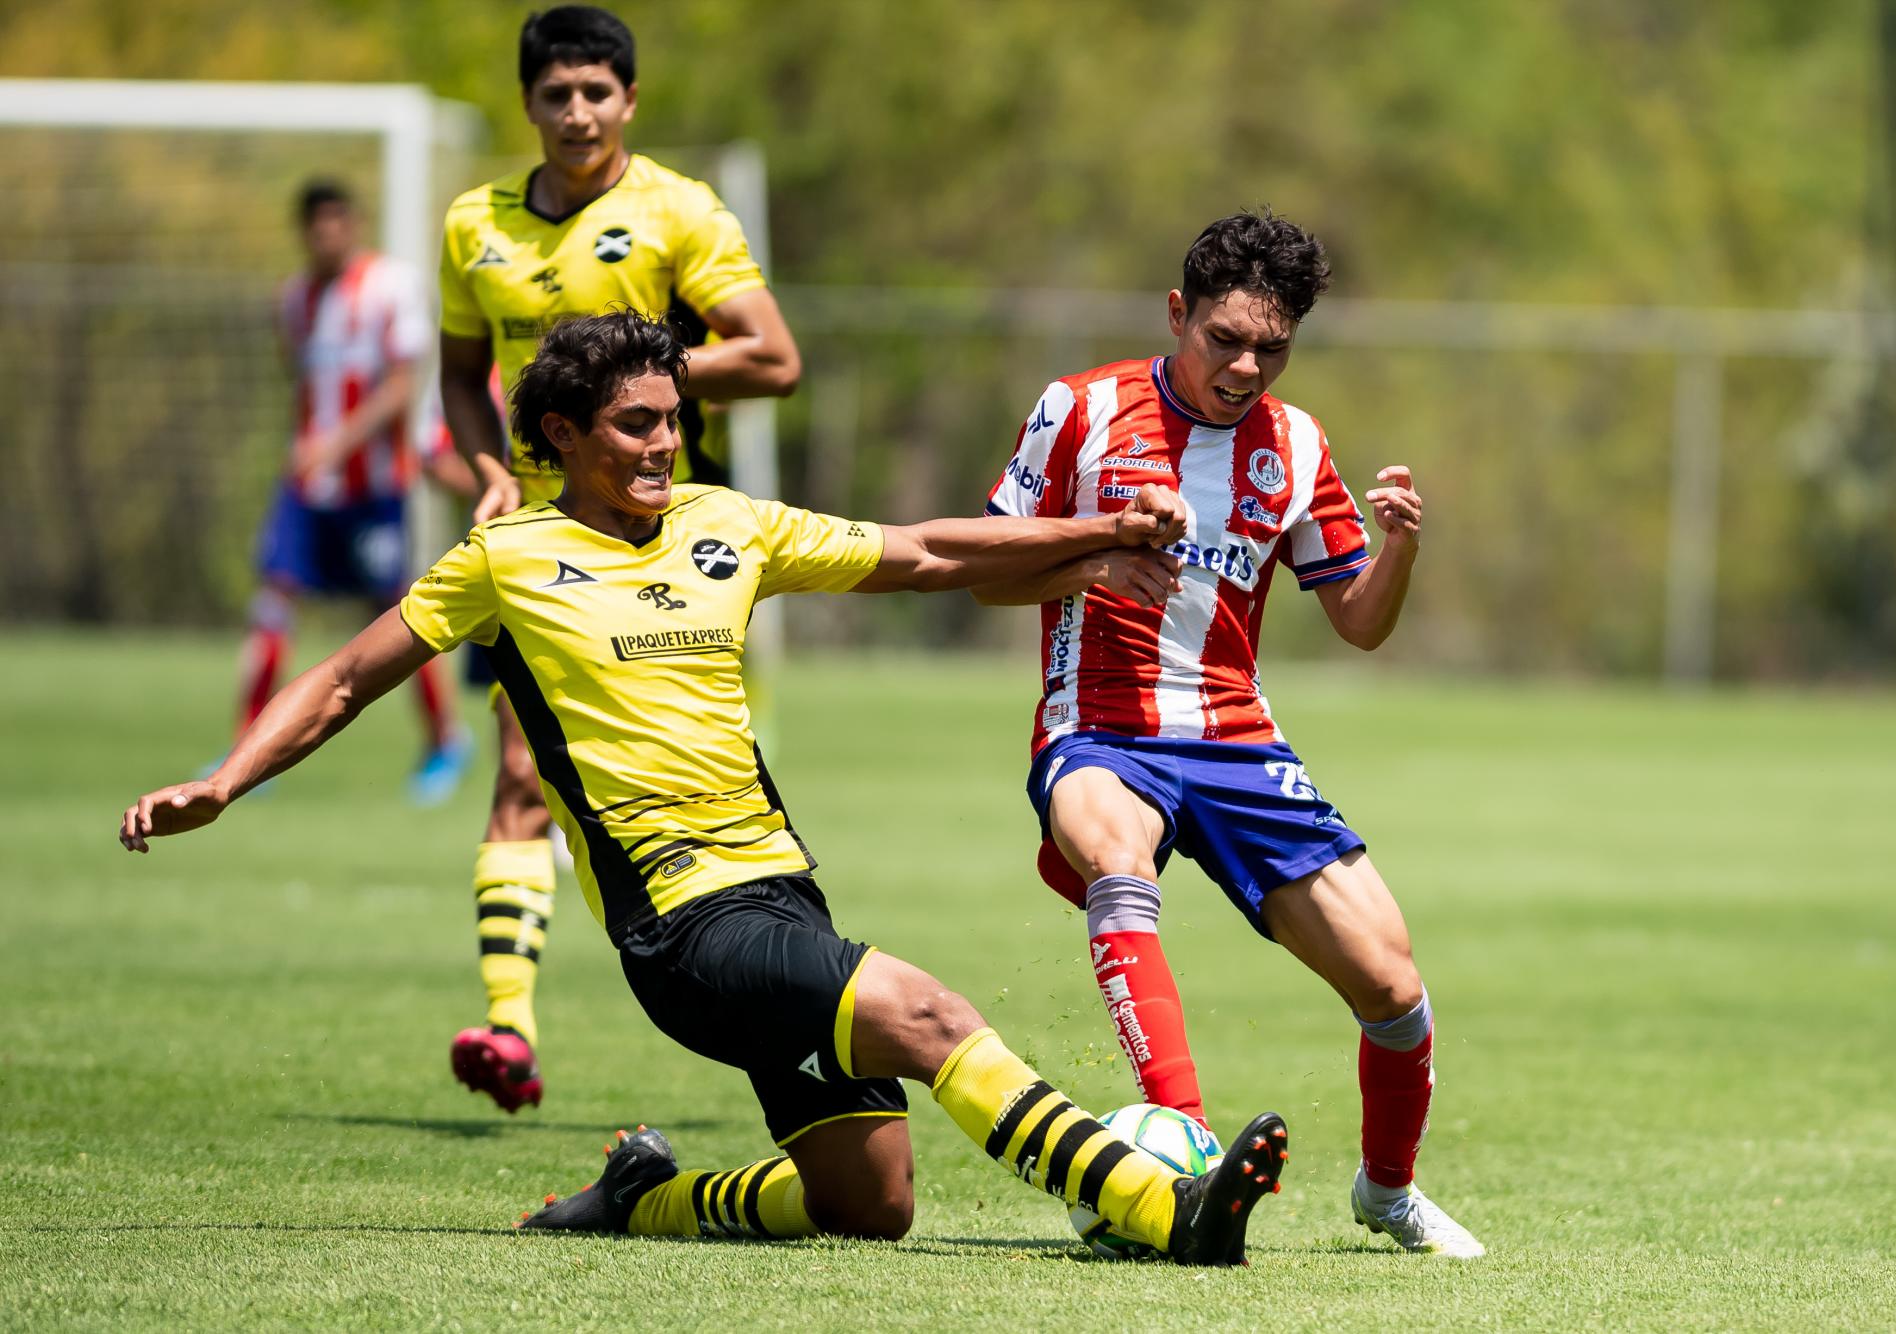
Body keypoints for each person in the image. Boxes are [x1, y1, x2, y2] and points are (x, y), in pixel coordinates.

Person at [118, 311, 1286, 1263]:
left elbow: (926, 550)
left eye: (673, 419)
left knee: (868, 1203)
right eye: (635, 423)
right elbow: (340, 679)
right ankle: (1158, 1204)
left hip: (782, 892)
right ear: (563, 432)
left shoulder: (722, 523)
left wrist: (1094, 537)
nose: (663, 444)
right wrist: (224, 782)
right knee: (933, 1016)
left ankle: (641, 1198)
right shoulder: (502, 561)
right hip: (680, 925)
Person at [974, 211, 1484, 1258]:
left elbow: (1359, 623)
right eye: (1225, 339)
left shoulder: (1295, 444)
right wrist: (1095, 560)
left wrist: (1398, 552)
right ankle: (1188, 1147)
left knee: (1393, 987)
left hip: (1237, 741)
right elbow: (983, 569)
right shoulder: (1079, 409)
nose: (1246, 367)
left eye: (1273, 347)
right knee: (1120, 864)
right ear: (1178, 313)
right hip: (1098, 727)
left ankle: (1387, 1193)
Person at [435, 5, 804, 1111]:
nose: (577, 112)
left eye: (597, 91)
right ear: (529, 103)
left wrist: (630, 380)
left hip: (657, 539)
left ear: (628, 100)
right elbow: (458, 373)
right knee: (518, 766)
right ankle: (509, 1023)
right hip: (537, 540)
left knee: (686, 782)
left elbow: (772, 356)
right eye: (556, 93)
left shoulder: (677, 210)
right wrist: (486, 468)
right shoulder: (473, 224)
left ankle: (758, 974)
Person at [229, 179, 470, 805]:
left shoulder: (390, 286)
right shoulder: (295, 298)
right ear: (304, 232)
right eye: (316, 224)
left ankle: (445, 741)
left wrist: (337, 444)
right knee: (273, 600)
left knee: (399, 612)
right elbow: (300, 377)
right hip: (308, 488)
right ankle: (245, 751)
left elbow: (402, 385)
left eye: (337, 220)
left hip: (374, 488)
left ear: (355, 223)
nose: (327, 233)